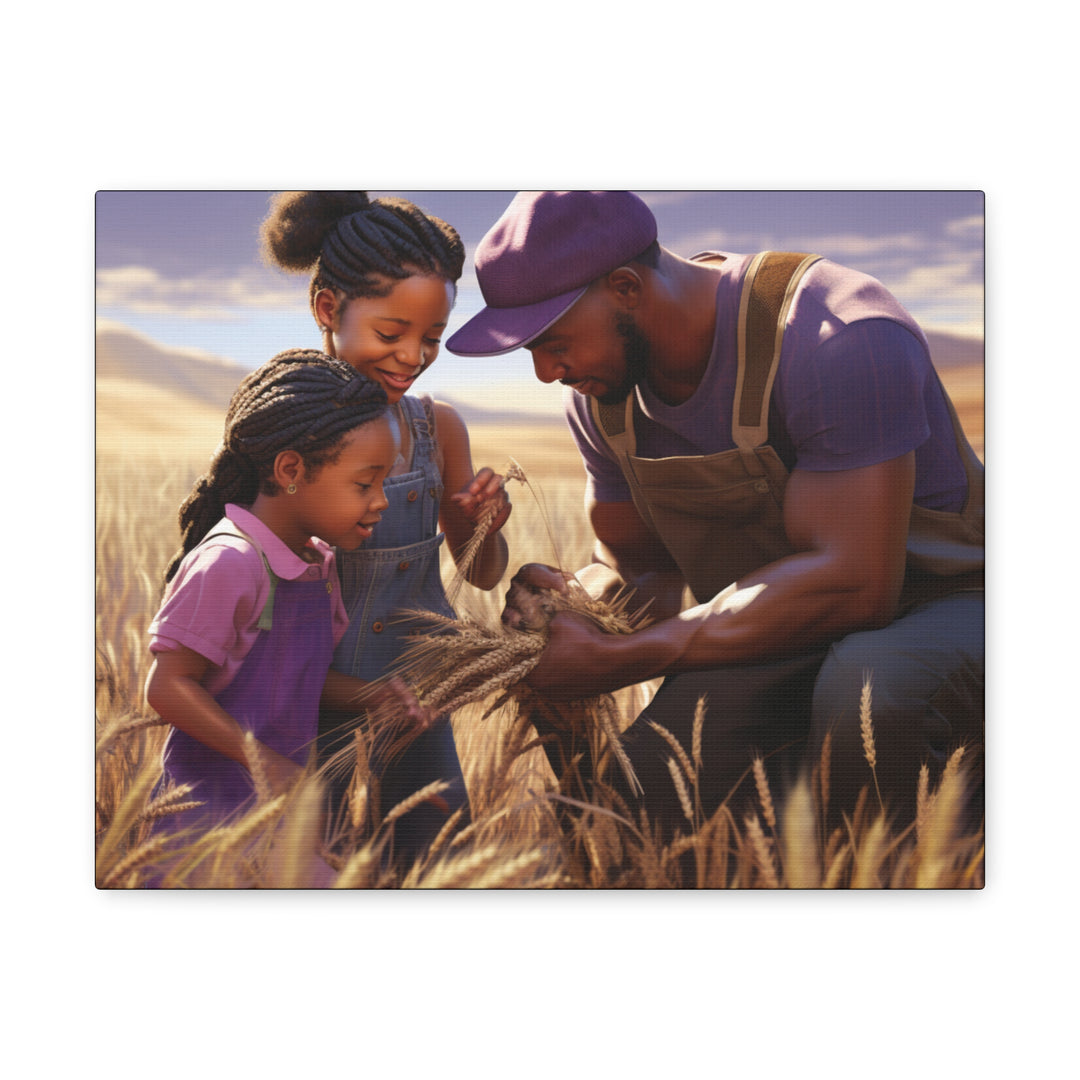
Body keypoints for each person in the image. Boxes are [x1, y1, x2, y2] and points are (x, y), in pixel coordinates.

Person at [447, 190, 984, 838]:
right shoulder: (602, 399)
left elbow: (857, 589)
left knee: (871, 688)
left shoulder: (837, 336)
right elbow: (636, 571)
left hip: (948, 605)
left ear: (624, 287)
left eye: (551, 340)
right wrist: (569, 610)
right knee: (634, 812)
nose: (543, 372)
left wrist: (618, 661)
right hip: (778, 629)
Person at [260, 191, 512, 859]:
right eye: (391, 333)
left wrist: (482, 525)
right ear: (327, 310)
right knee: (316, 860)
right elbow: (255, 612)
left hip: (417, 710)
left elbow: (481, 573)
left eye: (431, 339)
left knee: (438, 856)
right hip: (312, 710)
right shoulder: (288, 435)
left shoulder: (438, 429)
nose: (412, 356)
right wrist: (357, 695)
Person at [146, 350, 428, 849]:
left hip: (278, 827)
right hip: (204, 832)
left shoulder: (316, 565)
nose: (382, 500)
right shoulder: (230, 561)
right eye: (365, 484)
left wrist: (374, 697)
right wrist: (262, 760)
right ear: (291, 469)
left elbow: (295, 678)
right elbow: (167, 686)